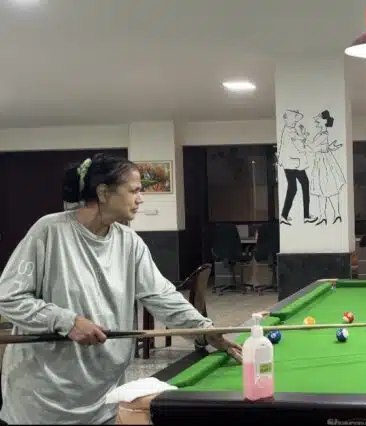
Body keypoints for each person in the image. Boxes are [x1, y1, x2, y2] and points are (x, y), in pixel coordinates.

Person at [0, 154, 243, 425]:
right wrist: (66, 321)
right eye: (135, 190)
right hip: (42, 403)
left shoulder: (130, 242)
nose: (140, 199)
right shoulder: (49, 232)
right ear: (104, 192)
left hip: (104, 399)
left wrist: (205, 330)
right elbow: (9, 297)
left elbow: (162, 296)